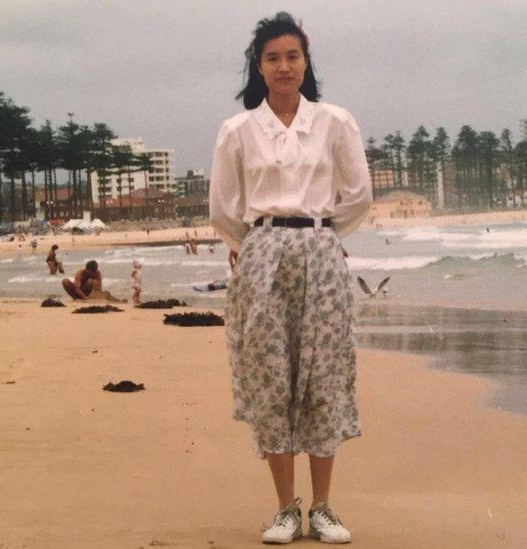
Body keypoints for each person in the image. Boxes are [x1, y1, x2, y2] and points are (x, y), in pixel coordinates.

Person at [209, 12, 369, 544]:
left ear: (306, 61)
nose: (284, 66)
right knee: (270, 374)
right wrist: (253, 246)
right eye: (273, 57)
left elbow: (358, 196)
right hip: (262, 254)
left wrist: (323, 239)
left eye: (293, 56)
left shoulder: (335, 122)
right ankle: (285, 508)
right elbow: (224, 209)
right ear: (259, 66)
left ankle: (323, 508)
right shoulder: (237, 130)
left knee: (324, 373)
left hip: (322, 251)